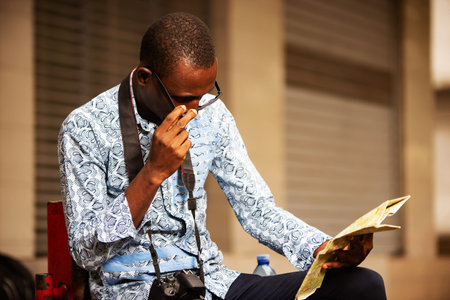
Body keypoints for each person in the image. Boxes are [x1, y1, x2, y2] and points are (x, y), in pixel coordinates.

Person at [58, 12, 386, 300]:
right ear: (145, 78)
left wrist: (325, 249)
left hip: (211, 282)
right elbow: (87, 252)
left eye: (205, 94)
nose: (196, 109)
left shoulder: (211, 114)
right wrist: (153, 173)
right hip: (133, 289)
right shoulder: (86, 127)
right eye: (185, 98)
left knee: (362, 285)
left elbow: (256, 209)